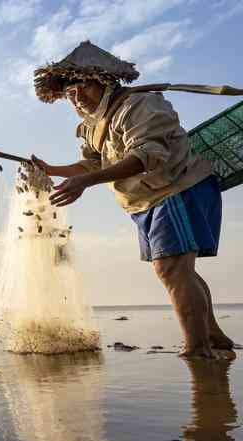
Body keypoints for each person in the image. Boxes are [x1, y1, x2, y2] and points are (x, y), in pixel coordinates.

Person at [30, 41, 236, 359]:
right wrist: (52, 170)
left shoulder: (139, 105)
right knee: (181, 270)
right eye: (70, 92)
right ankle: (213, 336)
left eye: (83, 86)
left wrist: (85, 182)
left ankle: (198, 350)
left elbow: (147, 156)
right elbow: (93, 164)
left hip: (178, 187)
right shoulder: (90, 127)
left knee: (171, 268)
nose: (77, 97)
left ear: (105, 81)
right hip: (145, 201)